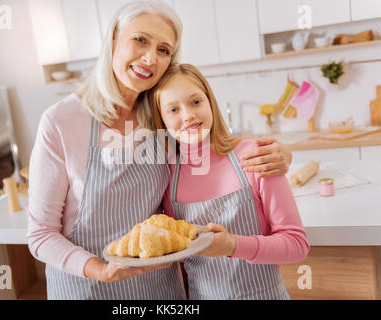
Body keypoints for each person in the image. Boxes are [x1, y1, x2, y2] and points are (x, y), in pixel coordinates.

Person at [27, 0, 293, 300]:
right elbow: (40, 234)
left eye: (164, 50)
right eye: (140, 40)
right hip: (87, 288)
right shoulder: (61, 121)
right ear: (114, 37)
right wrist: (100, 269)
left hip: (160, 291)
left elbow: (211, 149)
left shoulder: (161, 117)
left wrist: (276, 155)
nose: (150, 58)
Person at [147, 63, 310, 300]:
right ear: (161, 120)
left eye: (196, 102)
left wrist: (233, 245)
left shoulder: (254, 155)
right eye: (173, 110)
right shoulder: (167, 175)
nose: (188, 115)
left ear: (210, 102)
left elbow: (297, 245)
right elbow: (181, 251)